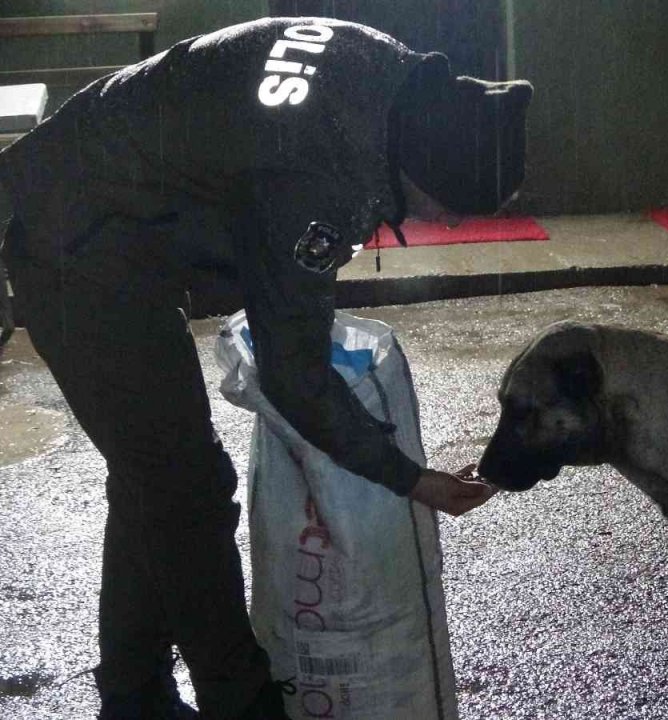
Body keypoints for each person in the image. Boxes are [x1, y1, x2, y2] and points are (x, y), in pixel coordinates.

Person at [0, 17, 531, 720]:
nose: (451, 226)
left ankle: (133, 692)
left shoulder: (385, 70)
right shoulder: (320, 175)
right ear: (420, 170)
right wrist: (412, 479)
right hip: (79, 245)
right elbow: (295, 374)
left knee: (153, 473)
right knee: (185, 489)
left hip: (94, 198)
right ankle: (239, 703)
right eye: (450, 210)